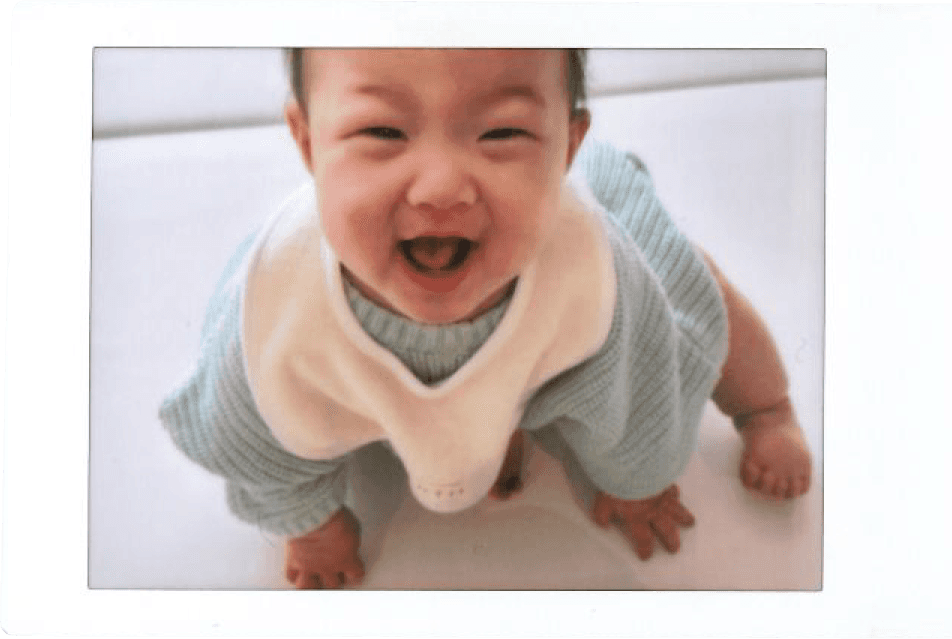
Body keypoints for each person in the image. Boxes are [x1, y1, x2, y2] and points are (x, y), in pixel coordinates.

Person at [160, 48, 813, 590]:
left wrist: (636, 480)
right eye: (382, 133)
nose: (441, 186)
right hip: (427, 379)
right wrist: (310, 525)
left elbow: (640, 389)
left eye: (502, 133)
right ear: (307, 142)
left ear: (567, 147)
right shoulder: (281, 302)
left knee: (695, 299)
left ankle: (769, 408)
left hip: (572, 335)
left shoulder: (590, 270)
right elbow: (251, 438)